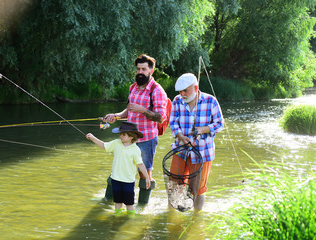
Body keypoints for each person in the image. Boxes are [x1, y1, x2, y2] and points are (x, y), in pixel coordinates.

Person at [104, 54, 168, 204]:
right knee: (118, 170)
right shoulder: (133, 87)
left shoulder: (157, 90)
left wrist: (143, 110)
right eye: (138, 68)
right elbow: (129, 110)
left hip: (146, 140)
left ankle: (142, 206)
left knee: (144, 175)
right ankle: (107, 202)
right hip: (128, 138)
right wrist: (116, 116)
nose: (140, 72)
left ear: (151, 71)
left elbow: (161, 118)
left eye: (144, 69)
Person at [169, 73, 224, 212]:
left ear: (196, 87)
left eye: (185, 90)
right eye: (180, 91)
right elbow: (173, 122)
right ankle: (172, 215)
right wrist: (181, 136)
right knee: (174, 186)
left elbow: (219, 124)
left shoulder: (210, 101)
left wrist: (203, 129)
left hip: (203, 152)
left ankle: (196, 217)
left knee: (198, 189)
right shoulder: (176, 100)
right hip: (180, 150)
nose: (182, 94)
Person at [86, 121, 150, 215]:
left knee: (129, 203)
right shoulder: (116, 143)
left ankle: (130, 220)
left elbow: (140, 164)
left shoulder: (135, 150)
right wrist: (93, 138)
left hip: (128, 181)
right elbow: (104, 145)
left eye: (123, 134)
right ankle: (117, 217)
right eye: (120, 134)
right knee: (118, 202)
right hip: (115, 179)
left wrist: (147, 177)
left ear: (131, 136)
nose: (120, 136)